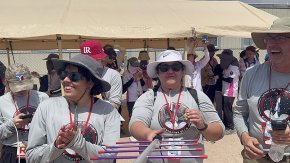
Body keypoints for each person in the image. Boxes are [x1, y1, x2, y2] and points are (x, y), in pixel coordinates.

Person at [129, 50, 224, 163]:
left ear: (182, 70)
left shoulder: (197, 96)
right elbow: (136, 123)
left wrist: (202, 125)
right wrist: (147, 133)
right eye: (164, 67)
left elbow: (219, 131)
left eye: (176, 67)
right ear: (158, 72)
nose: (170, 71)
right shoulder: (148, 97)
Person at [26, 54, 120, 162]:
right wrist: (56, 146)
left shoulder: (108, 111)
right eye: (63, 74)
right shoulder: (46, 107)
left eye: (74, 76)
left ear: (90, 83)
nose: (65, 79)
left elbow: (109, 157)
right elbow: (31, 157)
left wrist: (78, 144)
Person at [233, 17, 290, 162]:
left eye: (281, 37)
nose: (272, 43)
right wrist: (245, 137)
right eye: (269, 38)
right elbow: (239, 112)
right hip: (256, 156)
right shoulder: (251, 74)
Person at [0, 63, 49, 163]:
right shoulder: (2, 102)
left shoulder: (42, 98)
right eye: (17, 87)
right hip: (12, 151)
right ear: (5, 83)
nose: (22, 89)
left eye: (25, 85)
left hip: (38, 149)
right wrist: (12, 125)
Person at [80, 40, 122, 110]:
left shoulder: (113, 75)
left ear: (102, 58)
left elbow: (115, 104)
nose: (88, 63)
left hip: (104, 117)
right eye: (85, 60)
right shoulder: (76, 74)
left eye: (92, 60)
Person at [217, 49, 240, 134]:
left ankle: (231, 127)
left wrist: (220, 77)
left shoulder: (233, 66)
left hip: (230, 91)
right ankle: (227, 125)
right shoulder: (229, 65)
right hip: (226, 90)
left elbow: (230, 79)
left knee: (227, 109)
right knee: (225, 108)